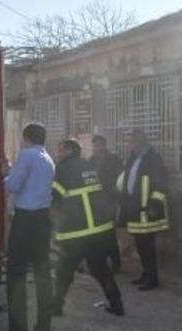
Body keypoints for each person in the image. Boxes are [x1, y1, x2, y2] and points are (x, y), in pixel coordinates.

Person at [52, 138, 125, 317]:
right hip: (98, 229)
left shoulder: (63, 169)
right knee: (100, 268)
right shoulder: (88, 166)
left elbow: (54, 195)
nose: (58, 154)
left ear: (69, 150)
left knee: (64, 271)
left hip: (77, 230)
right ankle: (117, 304)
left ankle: (55, 307)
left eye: (60, 150)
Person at [0, 123, 55, 331]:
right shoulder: (47, 158)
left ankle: (17, 330)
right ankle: (44, 323)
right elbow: (31, 182)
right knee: (42, 271)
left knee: (16, 274)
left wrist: (5, 175)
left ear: (27, 138)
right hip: (43, 219)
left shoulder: (26, 155)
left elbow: (13, 186)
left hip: (25, 220)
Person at [120, 129, 170, 291]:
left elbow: (160, 184)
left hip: (148, 210)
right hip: (135, 209)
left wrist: (154, 205)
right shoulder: (134, 158)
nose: (129, 145)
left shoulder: (153, 159)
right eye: (129, 142)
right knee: (140, 245)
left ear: (141, 142)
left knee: (147, 246)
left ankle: (152, 278)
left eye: (132, 142)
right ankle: (146, 273)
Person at [88, 135, 124, 273]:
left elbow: (120, 179)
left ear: (104, 145)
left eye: (98, 145)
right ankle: (101, 262)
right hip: (94, 203)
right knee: (97, 234)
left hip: (109, 201)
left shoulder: (113, 160)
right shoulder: (91, 160)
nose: (96, 148)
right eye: (94, 145)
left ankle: (116, 264)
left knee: (109, 233)